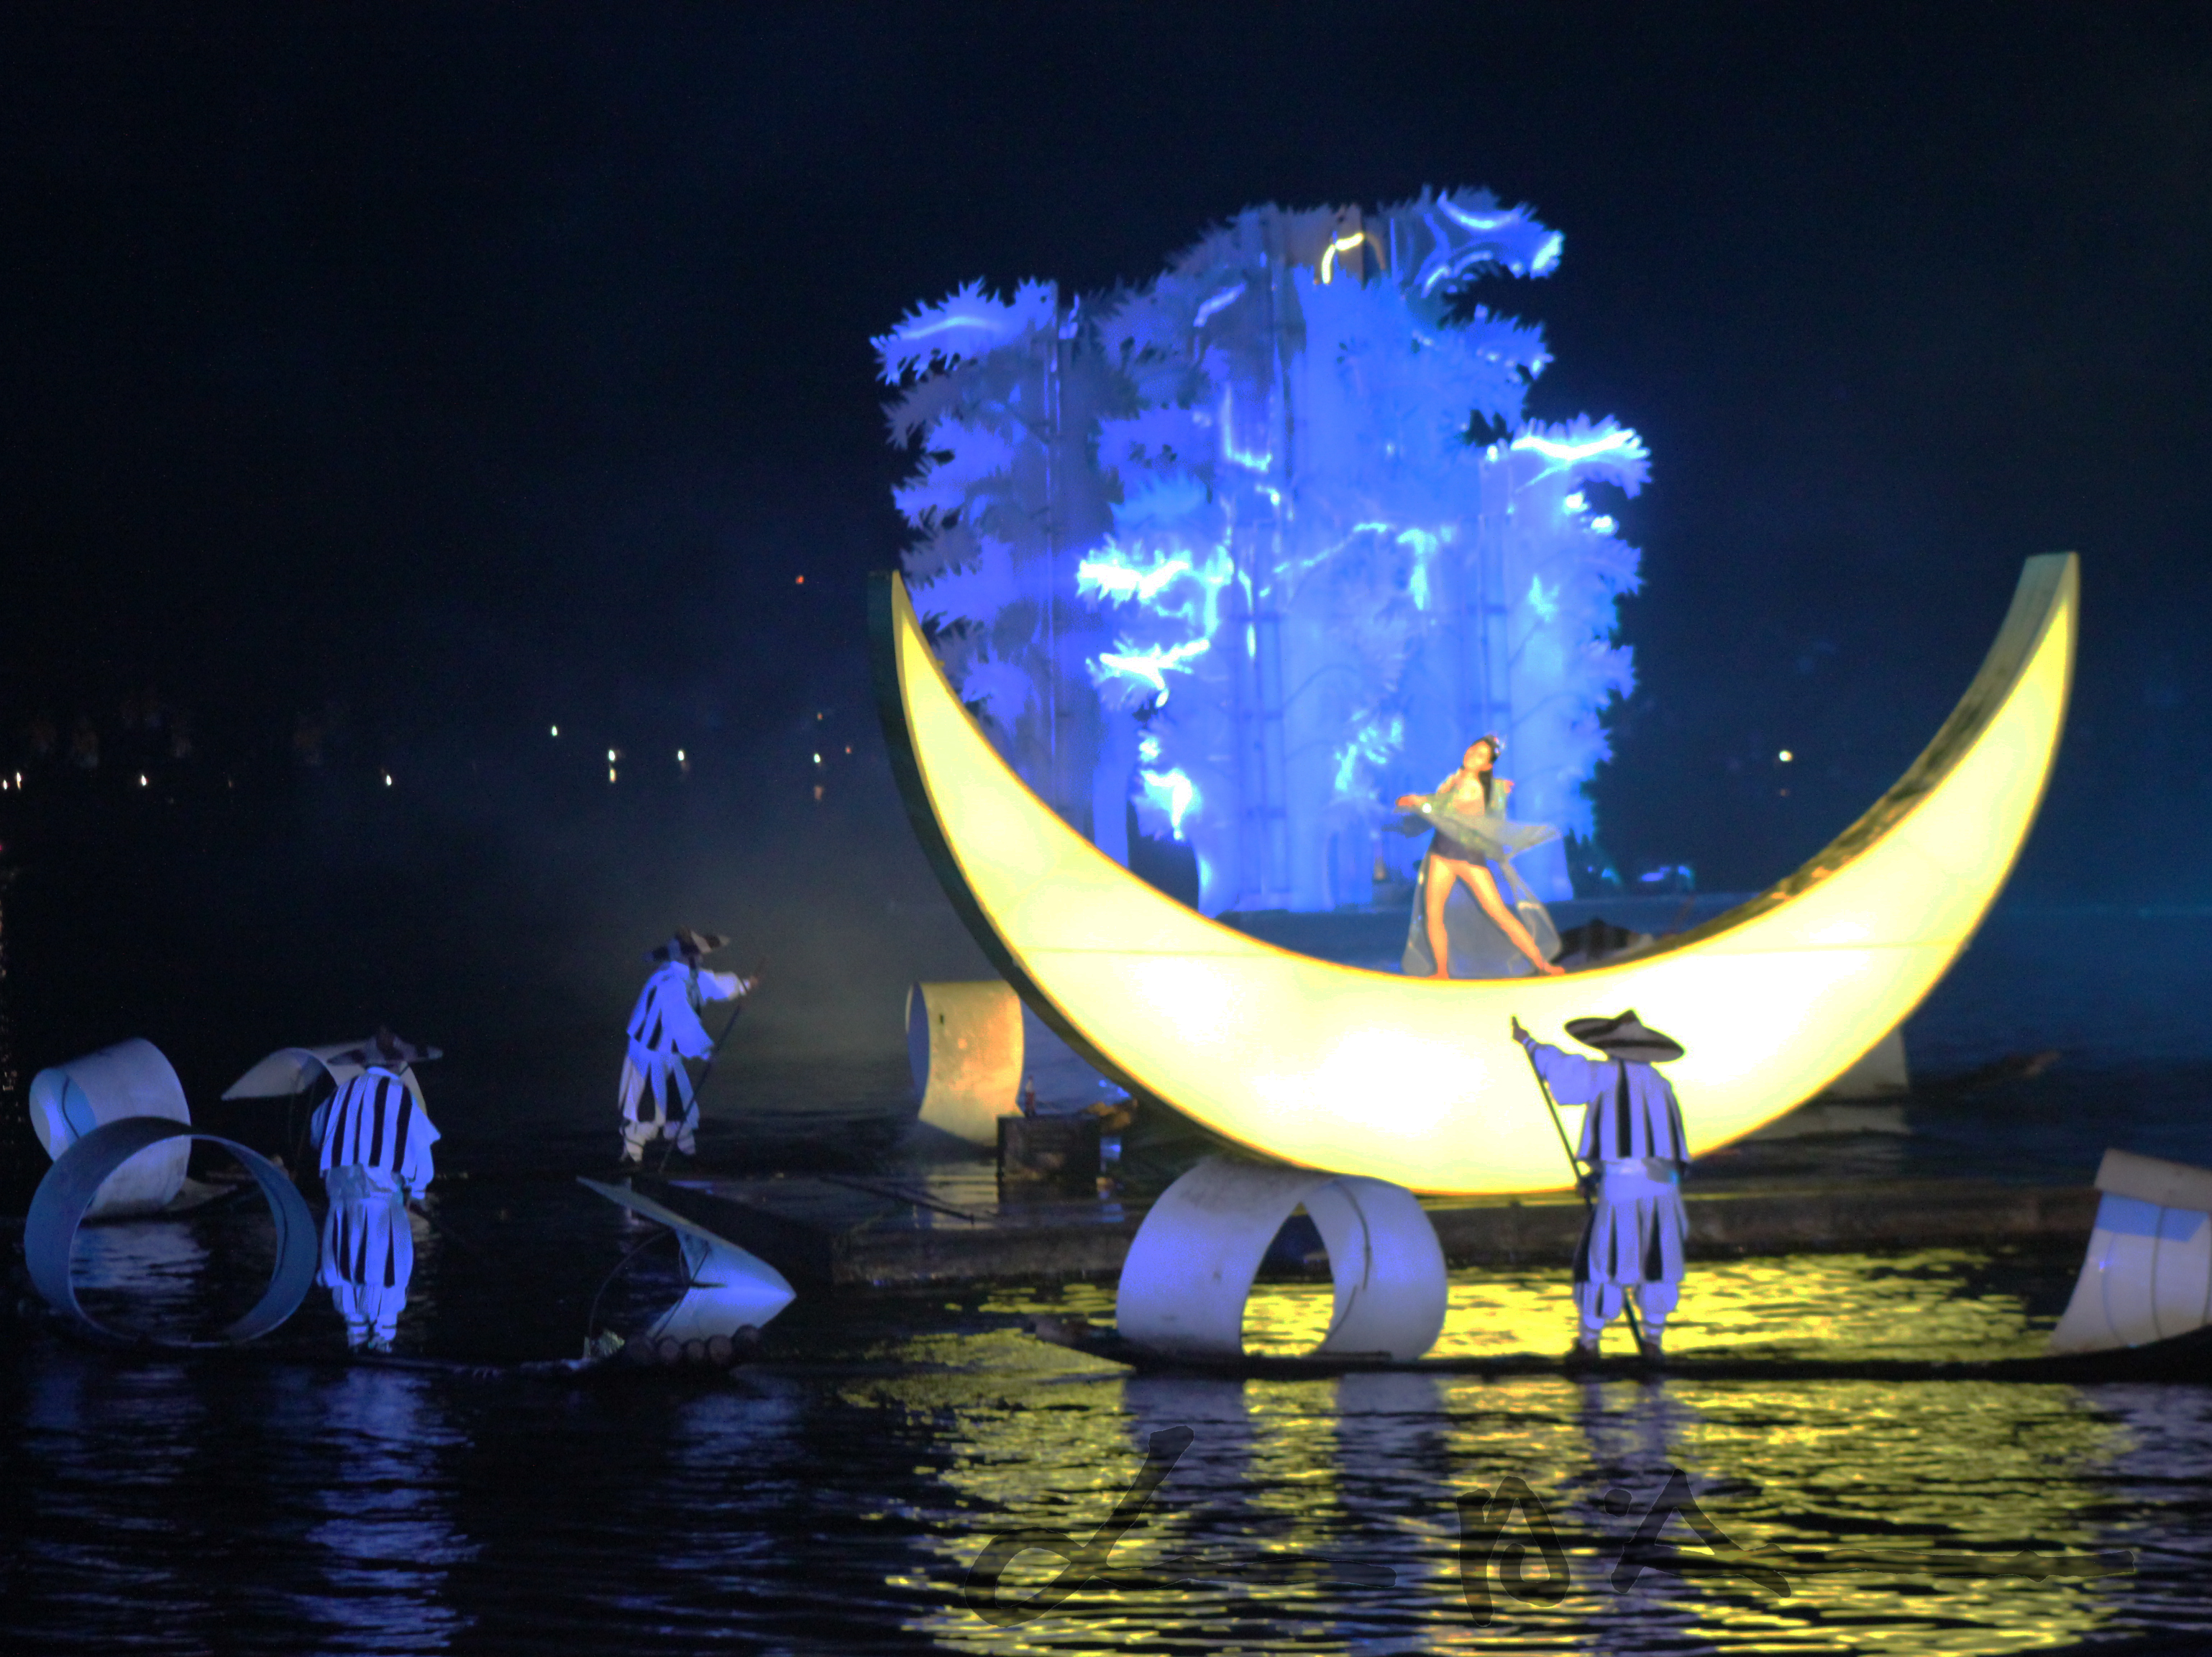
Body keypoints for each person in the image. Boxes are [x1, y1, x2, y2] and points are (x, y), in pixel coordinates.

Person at [1512, 1010, 1689, 1367]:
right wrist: (1595, 1179)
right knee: (1656, 1261)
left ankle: (1589, 1344)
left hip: (1622, 1186)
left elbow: (1561, 1069)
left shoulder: (1605, 1075)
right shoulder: (1662, 1084)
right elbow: (1665, 1149)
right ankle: (1653, 1342)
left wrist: (1527, 1042)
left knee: (1603, 1261)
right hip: (1663, 1187)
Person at [1394, 735, 1565, 980]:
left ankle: (1542, 964)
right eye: (1473, 750)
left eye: (1480, 755)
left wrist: (1418, 801)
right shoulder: (1455, 778)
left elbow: (1448, 805)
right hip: (1441, 854)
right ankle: (1441, 972)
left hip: (1468, 857)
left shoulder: (1475, 787)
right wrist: (1418, 803)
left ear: (1487, 765)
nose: (1473, 755)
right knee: (1433, 913)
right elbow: (1441, 809)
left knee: (1498, 913)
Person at [313, 1028, 440, 1354]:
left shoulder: (340, 1094)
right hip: (381, 1199)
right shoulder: (401, 1096)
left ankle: (355, 1336)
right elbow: (421, 1156)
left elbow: (317, 1134)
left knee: (347, 1263)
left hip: (341, 1199)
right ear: (399, 1065)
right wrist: (418, 1192)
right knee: (386, 1268)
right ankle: (382, 1340)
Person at [618, 928, 755, 1166]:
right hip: (648, 1055)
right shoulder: (669, 982)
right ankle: (632, 1157)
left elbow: (711, 983)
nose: (700, 958)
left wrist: (743, 985)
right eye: (696, 954)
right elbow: (682, 1022)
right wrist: (706, 1052)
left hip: (669, 1055)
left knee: (679, 1102)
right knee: (645, 1108)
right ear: (684, 956)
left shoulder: (688, 976)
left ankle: (686, 1153)